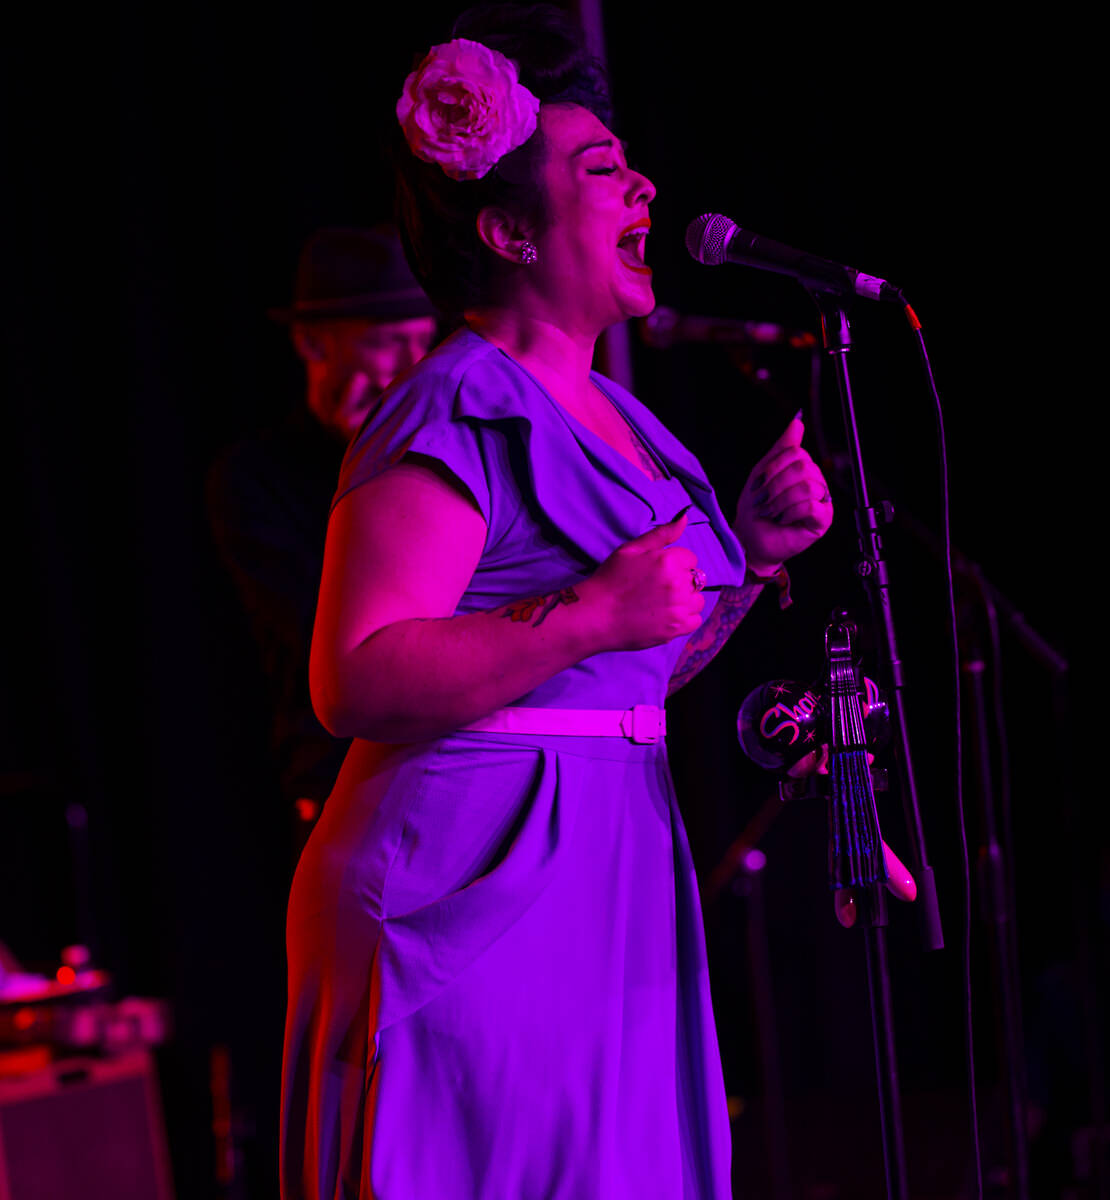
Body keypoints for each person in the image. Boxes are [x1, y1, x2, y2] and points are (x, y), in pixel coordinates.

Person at [280, 7, 915, 1197]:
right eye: (603, 170)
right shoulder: (452, 404)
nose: (644, 188)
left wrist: (755, 556)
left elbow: (628, 674)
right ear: (512, 229)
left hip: (606, 850)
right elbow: (352, 675)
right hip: (463, 877)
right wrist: (587, 611)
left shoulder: (629, 424)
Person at [205, 226, 438, 843]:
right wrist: (372, 460)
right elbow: (343, 633)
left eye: (425, 341)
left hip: (457, 773)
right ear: (311, 343)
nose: (417, 366)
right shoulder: (256, 478)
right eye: (391, 343)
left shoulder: (443, 457)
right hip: (344, 789)